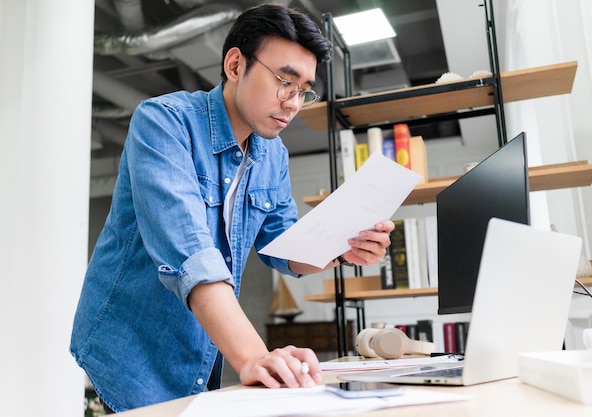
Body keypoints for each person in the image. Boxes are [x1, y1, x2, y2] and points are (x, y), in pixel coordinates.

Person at [71, 3, 394, 413]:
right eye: (284, 82)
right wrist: (255, 356)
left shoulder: (272, 154)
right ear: (235, 64)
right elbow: (191, 255)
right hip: (127, 346)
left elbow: (280, 245)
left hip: (200, 344)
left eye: (304, 90)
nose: (293, 103)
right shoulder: (164, 123)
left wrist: (339, 248)